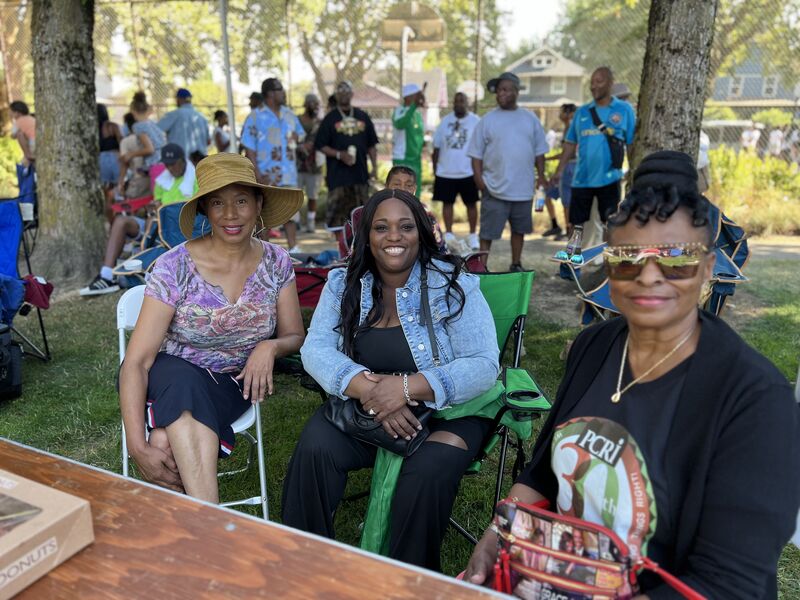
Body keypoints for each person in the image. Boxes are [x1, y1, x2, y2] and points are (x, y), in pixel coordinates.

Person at [465, 151, 800, 598]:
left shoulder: (756, 400)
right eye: (627, 256)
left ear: (706, 269)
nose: (648, 276)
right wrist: (495, 538)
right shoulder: (595, 347)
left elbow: (728, 583)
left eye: (675, 258)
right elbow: (544, 472)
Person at [282, 188, 499, 570]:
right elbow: (316, 350)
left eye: (405, 226)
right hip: (366, 407)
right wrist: (369, 390)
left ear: (422, 233)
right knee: (316, 445)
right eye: (381, 227)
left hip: (450, 409)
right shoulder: (342, 284)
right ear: (366, 236)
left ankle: (408, 579)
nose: (394, 237)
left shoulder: (453, 283)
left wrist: (402, 389)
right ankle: (304, 560)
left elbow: (483, 364)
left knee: (429, 469)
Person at [118, 152, 305, 502]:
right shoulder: (174, 267)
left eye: (241, 201)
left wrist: (270, 347)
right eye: (218, 203)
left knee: (164, 441)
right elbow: (137, 361)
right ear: (205, 209)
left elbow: (295, 334)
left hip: (233, 385)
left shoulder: (277, 262)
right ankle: (212, 523)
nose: (231, 214)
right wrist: (136, 445)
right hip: (167, 374)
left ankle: (188, 534)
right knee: (184, 382)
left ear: (258, 204)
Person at [80, 144, 197, 296]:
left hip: (180, 230)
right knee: (122, 221)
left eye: (173, 164)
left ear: (183, 161)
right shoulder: (162, 181)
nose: (169, 168)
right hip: (156, 226)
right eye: (167, 164)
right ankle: (107, 275)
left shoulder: (195, 179)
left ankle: (139, 268)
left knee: (152, 223)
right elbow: (158, 204)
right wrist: (151, 208)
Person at [551, 67, 636, 264]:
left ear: (610, 83)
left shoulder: (623, 110)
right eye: (592, 82)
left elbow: (631, 143)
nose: (593, 86)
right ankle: (573, 263)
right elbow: (570, 143)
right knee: (576, 223)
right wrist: (560, 170)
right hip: (582, 179)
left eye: (599, 81)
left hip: (610, 178)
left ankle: (608, 264)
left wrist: (633, 171)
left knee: (611, 223)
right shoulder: (582, 112)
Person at [467, 72, 549, 271]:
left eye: (505, 89)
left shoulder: (530, 119)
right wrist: (479, 180)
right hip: (494, 187)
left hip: (522, 188)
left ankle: (516, 263)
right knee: (487, 232)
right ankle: (482, 267)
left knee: (519, 230)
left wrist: (541, 178)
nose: (500, 94)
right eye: (498, 90)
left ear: (516, 91)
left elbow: (540, 152)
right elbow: (476, 154)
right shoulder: (487, 120)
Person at [242, 77, 305, 253]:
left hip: (288, 173)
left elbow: (300, 134)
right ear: (270, 93)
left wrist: (297, 138)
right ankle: (265, 251)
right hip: (266, 174)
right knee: (265, 214)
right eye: (280, 89)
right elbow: (249, 147)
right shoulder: (255, 117)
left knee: (291, 210)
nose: (283, 92)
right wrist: (256, 172)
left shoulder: (289, 114)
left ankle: (294, 248)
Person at [315, 80, 379, 238]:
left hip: (360, 175)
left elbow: (371, 144)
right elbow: (320, 145)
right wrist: (339, 154)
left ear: (352, 94)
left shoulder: (362, 116)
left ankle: (360, 254)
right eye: (340, 91)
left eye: (346, 91)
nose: (343, 94)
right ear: (336, 95)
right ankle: (342, 252)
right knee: (338, 221)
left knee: (363, 218)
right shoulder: (330, 118)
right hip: (338, 178)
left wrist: (375, 167)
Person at [432, 91, 481, 252]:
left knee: (471, 204)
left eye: (462, 101)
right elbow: (437, 147)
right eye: (456, 101)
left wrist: (480, 169)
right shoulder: (445, 121)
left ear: (468, 103)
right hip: (446, 171)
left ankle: (473, 235)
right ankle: (449, 234)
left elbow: (482, 147)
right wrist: (435, 168)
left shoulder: (475, 121)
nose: (459, 103)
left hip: (468, 171)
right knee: (447, 203)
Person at [385, 165, 446, 254]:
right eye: (397, 184)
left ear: (414, 189)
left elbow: (438, 245)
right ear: (386, 186)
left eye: (409, 185)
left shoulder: (424, 213)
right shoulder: (376, 210)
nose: (403, 189)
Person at [117, 92, 166, 198]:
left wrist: (131, 154)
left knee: (157, 197)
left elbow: (150, 149)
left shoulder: (138, 126)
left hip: (155, 164)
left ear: (133, 111)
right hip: (164, 162)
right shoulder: (151, 123)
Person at [545, 103, 577, 241]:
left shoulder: (571, 128)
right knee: (547, 195)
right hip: (566, 168)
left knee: (567, 202)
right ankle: (557, 226)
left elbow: (569, 154)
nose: (559, 114)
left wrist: (558, 168)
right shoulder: (567, 128)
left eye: (562, 111)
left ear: (569, 113)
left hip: (569, 168)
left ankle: (569, 231)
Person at [158, 88, 210, 164]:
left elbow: (156, 130)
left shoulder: (174, 114)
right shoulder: (202, 117)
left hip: (180, 163)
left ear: (179, 99)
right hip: (200, 162)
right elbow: (208, 141)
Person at [392, 83, 426, 195]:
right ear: (408, 97)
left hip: (416, 159)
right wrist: (413, 107)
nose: (419, 98)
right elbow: (400, 124)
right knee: (401, 193)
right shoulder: (399, 110)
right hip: (402, 158)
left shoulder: (417, 113)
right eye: (417, 96)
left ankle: (415, 213)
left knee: (415, 192)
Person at [297, 93, 323, 233]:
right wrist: (300, 146)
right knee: (296, 196)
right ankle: (298, 222)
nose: (314, 105)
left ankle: (311, 222)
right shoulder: (297, 120)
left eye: (316, 103)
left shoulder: (320, 122)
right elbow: (290, 137)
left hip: (314, 165)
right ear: (305, 104)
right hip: (298, 164)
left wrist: (314, 145)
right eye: (311, 102)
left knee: (313, 195)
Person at [98, 103, 123, 217]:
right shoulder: (112, 126)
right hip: (116, 157)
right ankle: (121, 215)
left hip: (101, 159)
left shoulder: (93, 128)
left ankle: (109, 220)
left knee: (106, 193)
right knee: (120, 190)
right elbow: (121, 141)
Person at [9, 100, 35, 166]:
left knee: (19, 134)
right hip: (38, 141)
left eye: (11, 111)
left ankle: (28, 155)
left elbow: (13, 135)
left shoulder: (18, 122)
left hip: (33, 144)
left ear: (17, 113)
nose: (9, 113)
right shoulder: (31, 117)